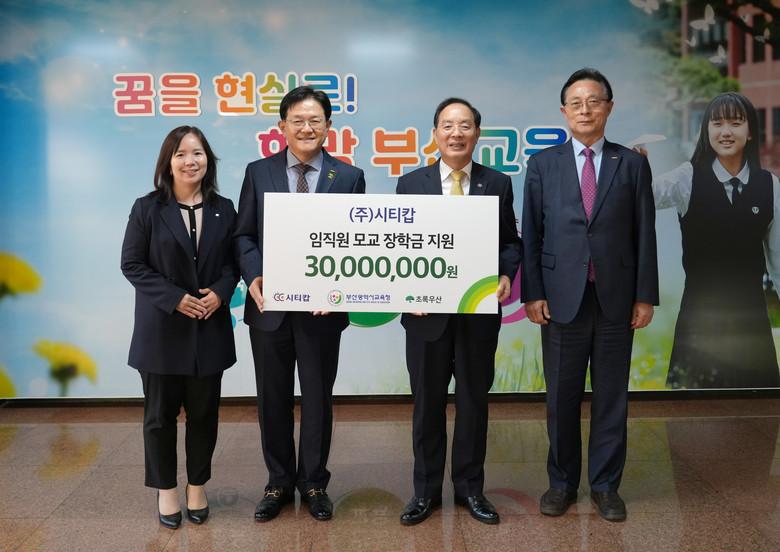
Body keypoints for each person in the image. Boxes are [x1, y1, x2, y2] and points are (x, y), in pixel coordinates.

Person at [522, 68, 658, 522]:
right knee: (561, 398)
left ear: (609, 108)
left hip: (617, 299)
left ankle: (605, 486)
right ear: (564, 111)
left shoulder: (631, 164)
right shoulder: (543, 164)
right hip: (561, 300)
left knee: (611, 398)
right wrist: (533, 294)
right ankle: (561, 483)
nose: (585, 110)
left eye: (594, 101)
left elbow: (644, 233)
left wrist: (645, 296)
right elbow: (532, 235)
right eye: (576, 103)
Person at [234, 86, 366, 522]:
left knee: (317, 398)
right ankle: (277, 482)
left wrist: (338, 285)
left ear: (329, 126)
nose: (307, 128)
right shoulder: (259, 172)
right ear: (282, 127)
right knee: (271, 398)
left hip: (322, 313)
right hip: (269, 309)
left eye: (315, 121)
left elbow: (358, 242)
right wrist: (255, 275)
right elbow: (244, 234)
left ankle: (313, 483)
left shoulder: (348, 177)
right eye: (298, 121)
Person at [395, 98, 522, 526]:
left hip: (477, 314)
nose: (456, 133)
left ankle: (470, 489)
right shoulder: (410, 184)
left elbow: (510, 242)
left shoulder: (497, 183)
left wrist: (505, 273)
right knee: (426, 406)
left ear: (477, 134)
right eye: (447, 125)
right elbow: (398, 246)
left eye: (465, 125)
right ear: (434, 134)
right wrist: (405, 291)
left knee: (473, 403)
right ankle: (425, 492)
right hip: (425, 319)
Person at [121, 126, 239, 529]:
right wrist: (174, 298)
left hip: (209, 327)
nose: (191, 161)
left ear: (209, 160)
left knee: (204, 414)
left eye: (198, 153)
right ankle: (166, 489)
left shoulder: (225, 208)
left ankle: (197, 486)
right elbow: (132, 264)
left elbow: (233, 264)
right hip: (161, 330)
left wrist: (220, 293)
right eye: (182, 154)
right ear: (167, 163)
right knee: (159, 416)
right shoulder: (147, 208)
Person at [651, 92, 780, 389]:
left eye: (735, 123)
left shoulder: (768, 185)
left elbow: (778, 257)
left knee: (756, 408)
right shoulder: (687, 178)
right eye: (717, 123)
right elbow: (645, 194)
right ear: (706, 131)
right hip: (699, 320)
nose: (725, 132)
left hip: (751, 322)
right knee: (692, 409)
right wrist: (635, 168)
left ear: (750, 132)